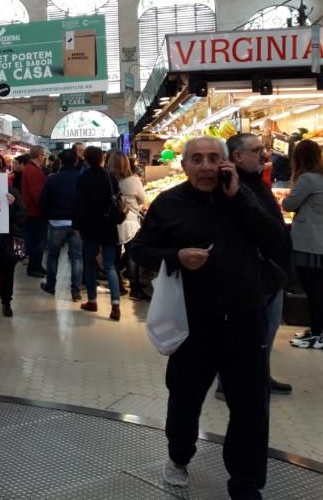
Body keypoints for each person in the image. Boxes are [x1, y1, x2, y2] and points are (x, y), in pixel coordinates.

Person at [130, 137, 286, 499]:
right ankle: (179, 455)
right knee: (185, 399)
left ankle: (246, 484)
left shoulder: (248, 195)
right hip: (193, 322)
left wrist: (240, 198)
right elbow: (139, 249)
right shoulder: (169, 203)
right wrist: (176, 256)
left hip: (246, 317)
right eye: (196, 159)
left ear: (226, 163)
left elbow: (277, 242)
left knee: (250, 407)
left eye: (213, 158)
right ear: (184, 166)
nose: (205, 166)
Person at [223, 134, 292, 395]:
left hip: (272, 270)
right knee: (250, 332)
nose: (264, 154)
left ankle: (261, 374)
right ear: (237, 156)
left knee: (268, 329)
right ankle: (232, 381)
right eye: (256, 150)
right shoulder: (234, 186)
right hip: (254, 273)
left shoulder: (254, 181)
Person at [73, 145, 123, 320]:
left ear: (86, 159)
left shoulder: (83, 178)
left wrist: (77, 227)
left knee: (89, 263)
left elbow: (78, 205)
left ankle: (92, 301)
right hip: (108, 225)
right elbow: (118, 199)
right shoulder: (110, 177)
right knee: (110, 266)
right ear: (101, 159)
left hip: (90, 226)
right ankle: (115, 305)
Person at [283, 140, 323, 351]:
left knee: (313, 290)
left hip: (310, 244)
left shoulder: (307, 179)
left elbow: (288, 204)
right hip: (318, 241)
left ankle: (317, 334)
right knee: (317, 289)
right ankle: (317, 330)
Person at [39, 148, 83, 302]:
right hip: (77, 224)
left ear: (61, 162)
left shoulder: (52, 179)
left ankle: (51, 285)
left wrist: (47, 216)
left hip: (56, 222)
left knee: (53, 256)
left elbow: (43, 201)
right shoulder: (81, 179)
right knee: (77, 258)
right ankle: (76, 291)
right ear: (76, 161)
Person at [108, 151, 148, 300]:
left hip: (114, 222)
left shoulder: (109, 180)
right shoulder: (134, 180)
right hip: (130, 221)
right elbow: (143, 200)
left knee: (115, 255)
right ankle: (135, 287)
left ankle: (117, 284)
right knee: (132, 254)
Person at [0, 162, 25, 319]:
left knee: (7, 273)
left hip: (8, 239)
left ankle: (6, 302)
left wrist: (13, 205)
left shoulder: (12, 193)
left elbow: (23, 216)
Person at [20, 146, 48, 278]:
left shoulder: (29, 169)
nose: (44, 158)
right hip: (35, 212)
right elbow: (37, 194)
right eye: (43, 155)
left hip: (31, 211)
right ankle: (34, 266)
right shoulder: (34, 171)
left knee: (35, 241)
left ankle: (36, 265)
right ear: (40, 156)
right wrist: (45, 209)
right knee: (38, 241)